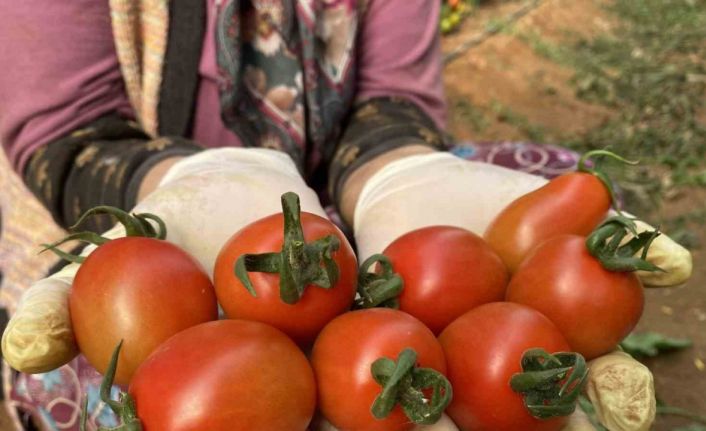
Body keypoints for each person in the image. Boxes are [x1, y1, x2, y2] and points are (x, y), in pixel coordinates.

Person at [0, 1, 690, 430]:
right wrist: (186, 182)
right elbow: (68, 132)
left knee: (548, 178)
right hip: (152, 214)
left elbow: (392, 102)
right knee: (80, 365)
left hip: (338, 231)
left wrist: (397, 173)